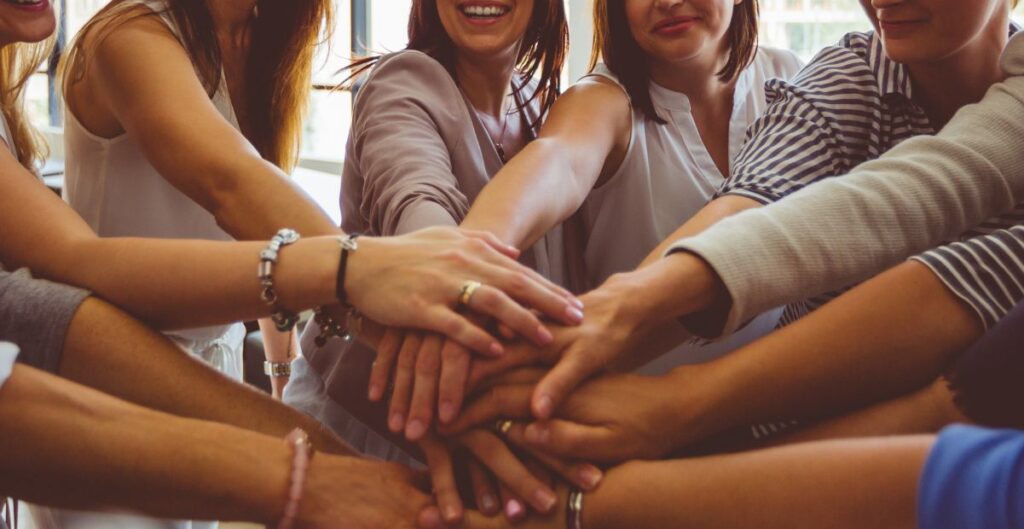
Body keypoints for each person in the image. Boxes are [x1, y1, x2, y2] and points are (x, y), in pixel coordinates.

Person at [281, 0, 594, 524]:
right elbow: (415, 198)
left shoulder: (540, 106)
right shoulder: (404, 81)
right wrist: (443, 278)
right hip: (363, 427)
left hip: (486, 427)